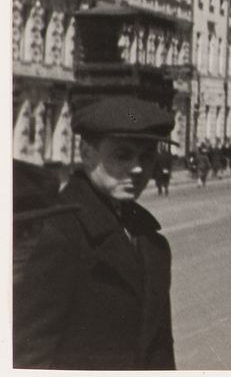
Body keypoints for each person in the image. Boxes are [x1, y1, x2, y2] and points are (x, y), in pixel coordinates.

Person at [13, 96, 178, 369]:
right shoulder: (59, 233)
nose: (138, 168)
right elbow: (30, 356)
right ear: (86, 153)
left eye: (147, 156)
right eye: (122, 155)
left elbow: (160, 350)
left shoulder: (151, 241)